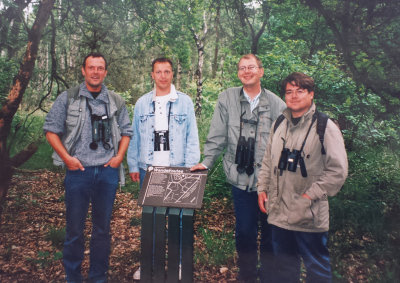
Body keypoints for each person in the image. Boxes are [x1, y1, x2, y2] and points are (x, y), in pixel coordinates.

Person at [191, 54, 286, 282]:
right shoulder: (227, 99)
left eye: (251, 67)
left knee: (270, 233)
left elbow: (285, 144)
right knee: (244, 232)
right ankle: (247, 276)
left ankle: (269, 277)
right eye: (242, 68)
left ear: (261, 71)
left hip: (270, 182)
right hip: (240, 179)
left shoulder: (277, 104)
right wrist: (206, 162)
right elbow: (217, 136)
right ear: (238, 73)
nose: (246, 71)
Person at [43, 53, 132, 283]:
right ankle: (72, 277)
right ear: (83, 70)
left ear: (105, 72)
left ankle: (97, 277)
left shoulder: (115, 100)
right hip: (78, 173)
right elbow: (51, 130)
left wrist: (119, 157)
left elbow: (126, 132)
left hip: (106, 173)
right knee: (74, 230)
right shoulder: (68, 98)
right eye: (91, 67)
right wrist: (67, 159)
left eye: (100, 68)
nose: (95, 72)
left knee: (102, 231)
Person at [257, 72, 348, 282]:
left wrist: (309, 196)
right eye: (289, 91)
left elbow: (338, 171)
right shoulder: (279, 123)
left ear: (311, 94)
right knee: (285, 270)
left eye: (300, 90)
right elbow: (268, 160)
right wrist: (262, 188)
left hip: (309, 216)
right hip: (279, 214)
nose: (294, 96)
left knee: (317, 270)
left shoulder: (325, 127)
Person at [127, 57, 200, 187]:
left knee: (176, 207)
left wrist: (190, 167)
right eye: (158, 72)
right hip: (148, 168)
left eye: (167, 72)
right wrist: (133, 165)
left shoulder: (185, 102)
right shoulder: (142, 103)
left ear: (172, 74)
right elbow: (134, 137)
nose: (163, 76)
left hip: (178, 167)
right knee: (150, 208)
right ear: (152, 75)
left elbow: (192, 137)